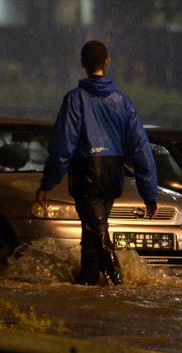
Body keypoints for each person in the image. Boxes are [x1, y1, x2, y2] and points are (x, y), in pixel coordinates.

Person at [36, 40, 158, 286]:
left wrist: (47, 184)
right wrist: (149, 193)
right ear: (107, 61)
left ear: (82, 64)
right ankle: (88, 284)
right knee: (91, 231)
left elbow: (62, 147)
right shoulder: (122, 102)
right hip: (112, 174)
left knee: (96, 230)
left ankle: (118, 282)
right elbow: (140, 149)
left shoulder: (75, 100)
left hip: (86, 173)